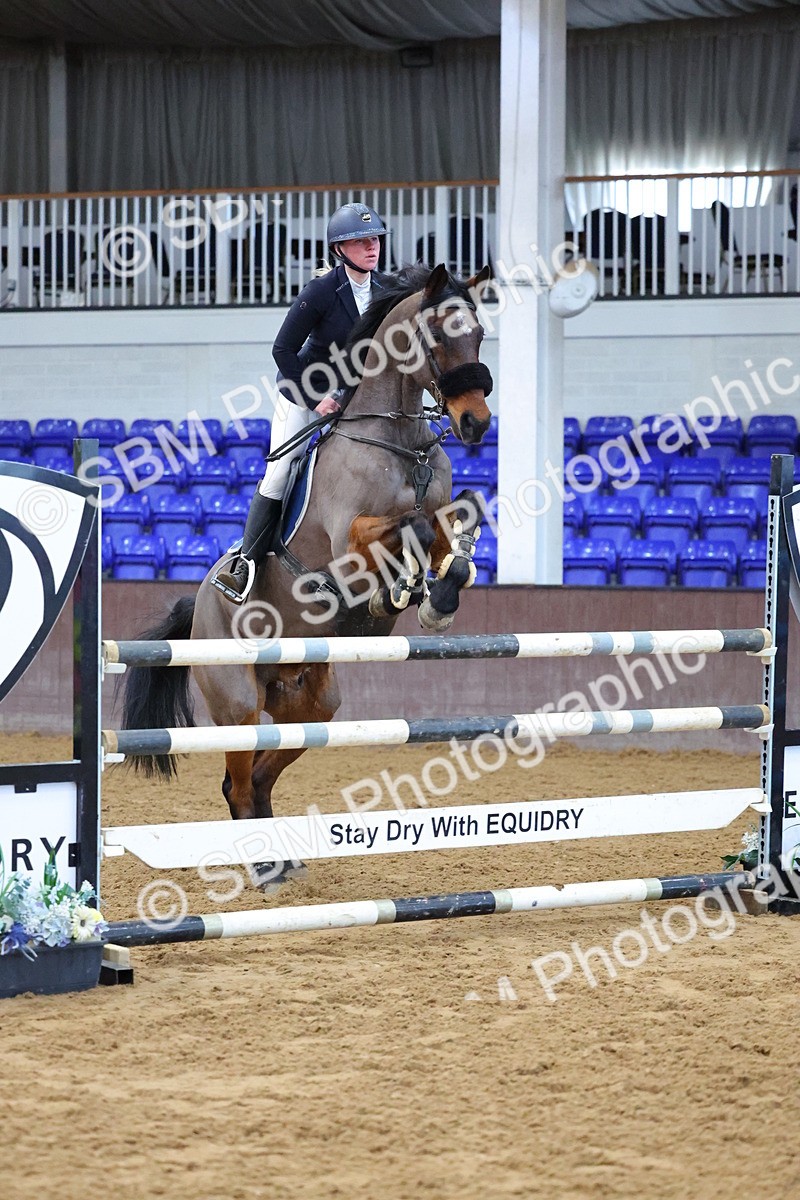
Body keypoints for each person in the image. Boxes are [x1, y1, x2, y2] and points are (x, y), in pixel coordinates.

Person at [213, 202, 388, 602]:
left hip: (354, 397)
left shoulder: (386, 290)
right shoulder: (322, 291)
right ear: (339, 250)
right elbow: (283, 350)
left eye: (374, 239)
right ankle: (246, 563)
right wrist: (315, 399)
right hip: (305, 391)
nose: (371, 247)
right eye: (360, 241)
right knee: (281, 468)